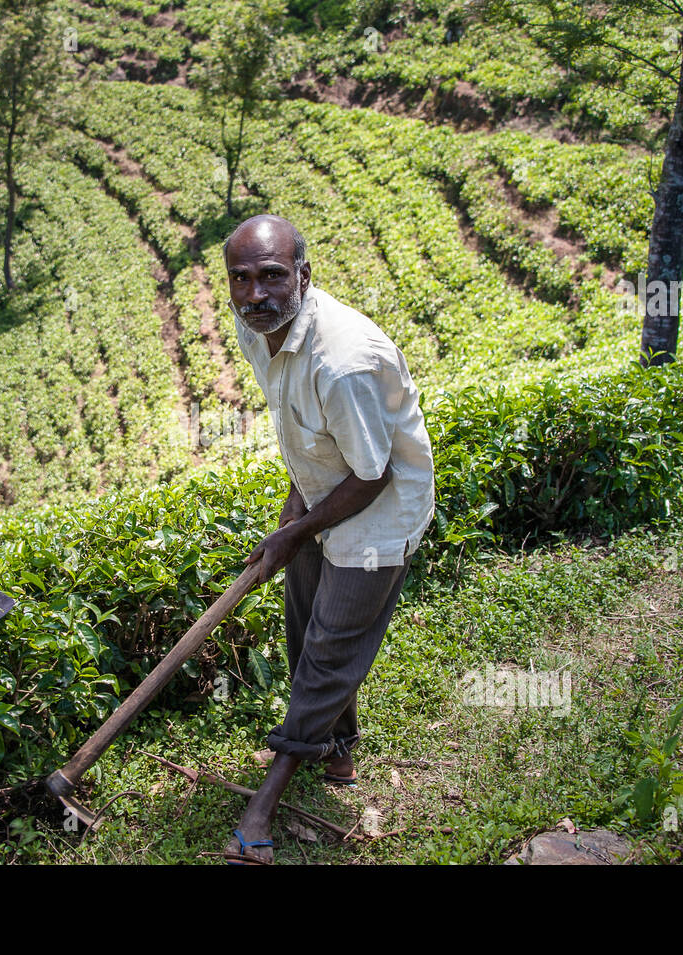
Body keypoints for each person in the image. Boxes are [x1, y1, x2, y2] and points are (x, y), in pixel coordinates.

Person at [221, 214, 435, 864]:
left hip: (378, 509)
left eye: (273, 276)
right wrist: (293, 524)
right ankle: (338, 751)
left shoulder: (342, 361)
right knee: (302, 624)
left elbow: (371, 474)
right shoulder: (257, 329)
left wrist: (294, 532)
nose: (256, 293)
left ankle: (265, 803)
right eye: (241, 280)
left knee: (327, 649)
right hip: (326, 493)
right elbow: (301, 433)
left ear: (304, 277)